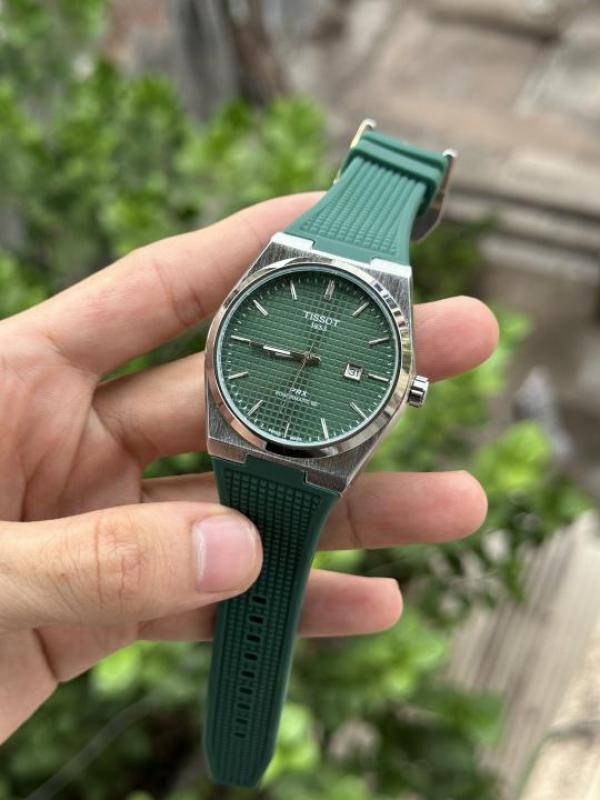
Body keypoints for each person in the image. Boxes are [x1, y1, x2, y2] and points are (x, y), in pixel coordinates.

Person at [0, 194, 498, 742]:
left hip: (299, 453)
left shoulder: (370, 335)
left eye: (309, 360)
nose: (306, 359)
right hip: (247, 432)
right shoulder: (247, 337)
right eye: (300, 356)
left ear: (405, 388)